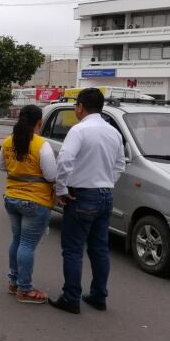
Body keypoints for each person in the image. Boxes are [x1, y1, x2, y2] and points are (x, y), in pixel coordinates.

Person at [49, 88, 125, 314]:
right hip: (105, 195)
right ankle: (99, 296)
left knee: (73, 249)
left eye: (76, 106)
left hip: (81, 195)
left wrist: (61, 189)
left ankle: (71, 298)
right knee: (99, 248)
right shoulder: (114, 132)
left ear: (80, 107)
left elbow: (64, 160)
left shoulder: (79, 130)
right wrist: (105, 182)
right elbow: (120, 164)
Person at [0, 105, 57, 304]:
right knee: (27, 244)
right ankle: (25, 289)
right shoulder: (41, 145)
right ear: (39, 122)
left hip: (11, 198)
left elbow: (1, 166)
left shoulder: (8, 141)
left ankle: (14, 282)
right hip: (35, 201)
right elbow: (51, 175)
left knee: (17, 240)